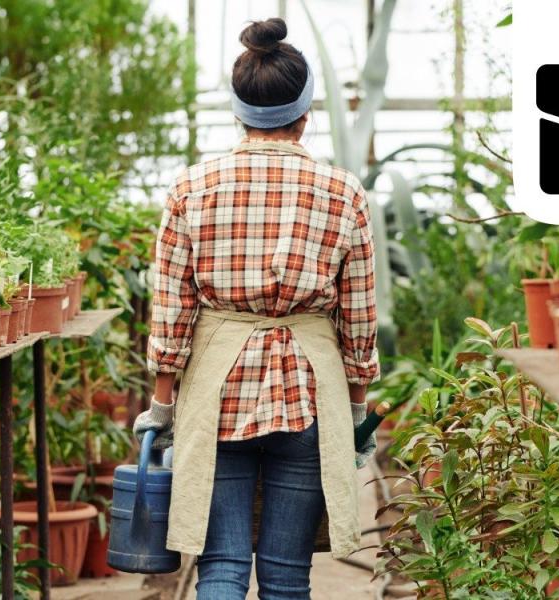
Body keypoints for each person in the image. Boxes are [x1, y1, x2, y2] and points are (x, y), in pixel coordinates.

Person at [134, 17, 379, 600]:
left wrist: (162, 409)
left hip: (217, 391)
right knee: (288, 574)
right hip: (309, 392)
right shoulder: (343, 191)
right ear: (305, 111)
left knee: (219, 565)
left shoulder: (192, 188)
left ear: (239, 110)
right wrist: (356, 411)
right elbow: (359, 318)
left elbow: (171, 310)